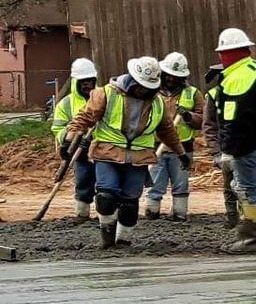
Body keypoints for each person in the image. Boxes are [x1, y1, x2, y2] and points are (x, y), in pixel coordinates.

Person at [62, 55, 184, 249]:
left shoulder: (157, 103)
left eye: (147, 87)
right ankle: (107, 239)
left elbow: (167, 131)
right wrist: (68, 140)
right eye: (140, 86)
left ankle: (123, 241)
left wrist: (181, 153)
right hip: (107, 154)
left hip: (138, 158)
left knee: (129, 204)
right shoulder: (106, 94)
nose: (143, 90)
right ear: (132, 79)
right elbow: (84, 118)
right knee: (106, 197)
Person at [213, 25, 256, 254]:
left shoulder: (238, 78)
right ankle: (248, 236)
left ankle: (251, 240)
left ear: (227, 53)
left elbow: (232, 120)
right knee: (244, 187)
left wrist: (228, 150)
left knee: (246, 190)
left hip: (246, 147)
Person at [143, 52, 199, 220]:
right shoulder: (151, 93)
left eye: (175, 77)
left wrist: (188, 116)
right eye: (168, 75)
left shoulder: (192, 93)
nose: (170, 79)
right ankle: (152, 212)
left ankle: (179, 213)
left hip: (183, 148)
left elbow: (203, 119)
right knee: (155, 183)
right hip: (155, 147)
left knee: (180, 184)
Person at [49, 57, 99, 221]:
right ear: (75, 82)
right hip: (79, 151)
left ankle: (105, 216)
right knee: (83, 181)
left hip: (102, 150)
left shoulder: (103, 99)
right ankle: (82, 213)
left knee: (105, 185)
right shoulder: (66, 104)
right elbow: (58, 128)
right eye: (83, 81)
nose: (87, 85)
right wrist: (70, 137)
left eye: (90, 81)